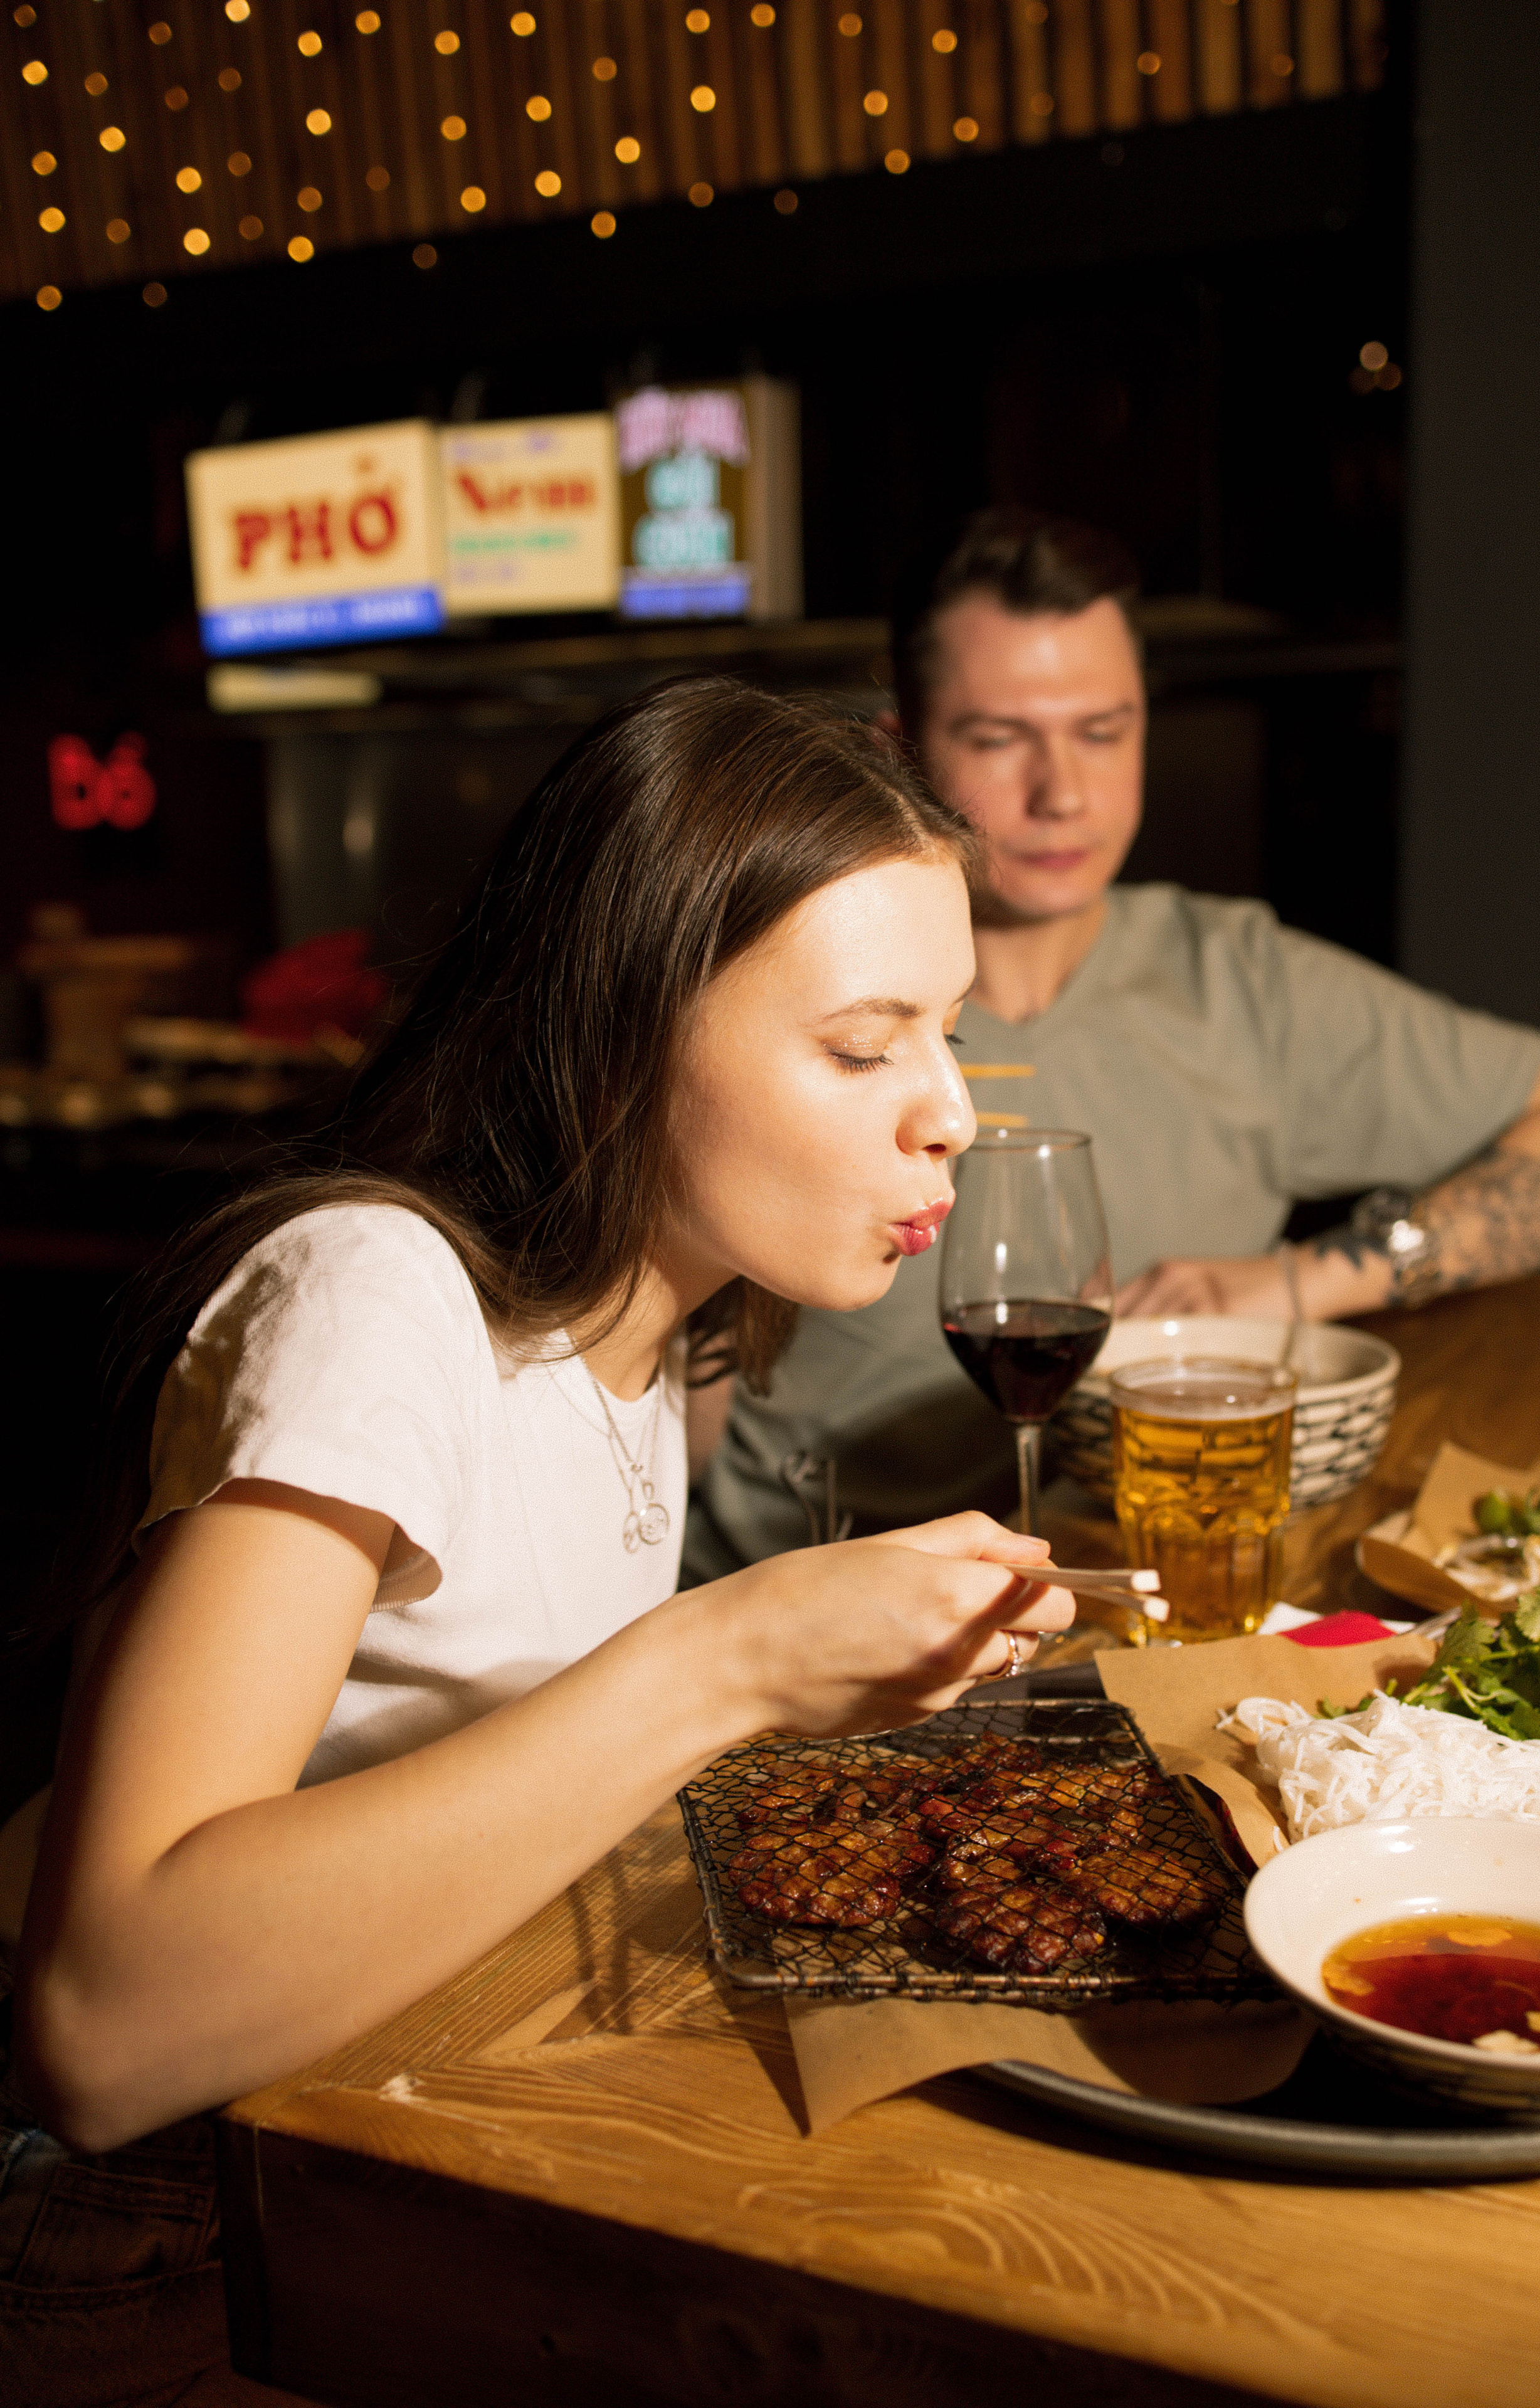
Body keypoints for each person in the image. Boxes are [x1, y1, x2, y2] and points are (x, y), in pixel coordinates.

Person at [0, 678, 1066, 2396]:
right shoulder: (373, 1294)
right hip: (129, 2225)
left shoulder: (649, 1345)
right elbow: (101, 2027)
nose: (947, 1107)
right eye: (865, 1047)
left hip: (369, 2119)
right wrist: (726, 1661)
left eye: (947, 1032)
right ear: (621, 1032)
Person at [684, 510, 1540, 1573]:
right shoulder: (804, 980)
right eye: (999, 738)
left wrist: (1310, 1280)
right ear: (901, 750)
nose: (1063, 793)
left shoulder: (1246, 985)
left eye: (1102, 731)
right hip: (797, 1593)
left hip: (1119, 1592)